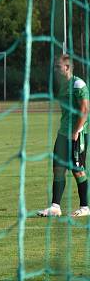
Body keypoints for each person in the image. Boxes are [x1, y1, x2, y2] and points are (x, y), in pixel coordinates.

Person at [38, 54, 90, 217]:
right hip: (62, 133)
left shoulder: (78, 84)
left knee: (78, 170)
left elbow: (85, 109)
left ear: (67, 67)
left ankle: (85, 207)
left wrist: (76, 131)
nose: (55, 69)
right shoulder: (62, 85)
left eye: (58, 67)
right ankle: (55, 207)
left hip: (76, 134)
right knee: (58, 169)